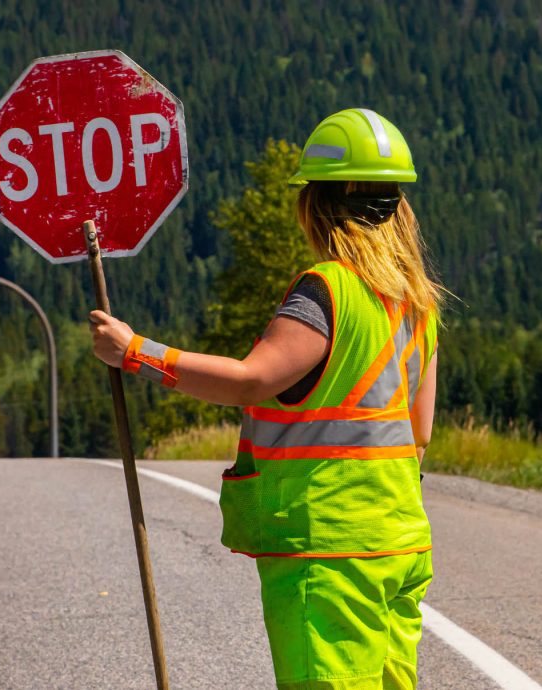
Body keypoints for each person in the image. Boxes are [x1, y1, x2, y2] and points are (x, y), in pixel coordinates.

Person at [90, 108, 442, 690]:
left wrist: (137, 352)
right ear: (397, 206)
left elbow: (253, 379)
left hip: (327, 549)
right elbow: (418, 432)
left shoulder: (327, 289)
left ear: (316, 205)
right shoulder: (415, 303)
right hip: (401, 542)